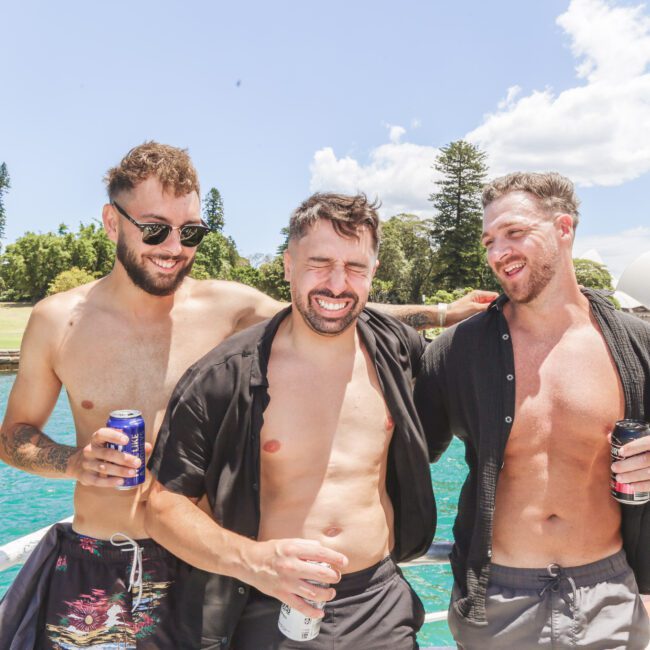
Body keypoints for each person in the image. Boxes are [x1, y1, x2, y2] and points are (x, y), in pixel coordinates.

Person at [0, 142, 494, 649]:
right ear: (112, 221)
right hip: (103, 555)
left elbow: (326, 302)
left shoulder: (227, 308)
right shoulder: (58, 320)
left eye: (189, 232)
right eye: (154, 229)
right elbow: (14, 436)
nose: (174, 246)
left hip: (211, 571)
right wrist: (74, 462)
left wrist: (438, 314)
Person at [145, 192, 438, 649]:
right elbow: (161, 505)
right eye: (319, 263)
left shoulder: (400, 352)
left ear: (373, 272)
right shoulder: (223, 377)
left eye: (355, 268)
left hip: (378, 602)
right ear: (287, 265)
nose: (338, 284)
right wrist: (255, 562)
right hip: (268, 603)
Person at [414, 171, 650, 649]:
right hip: (496, 601)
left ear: (564, 229)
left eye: (515, 233)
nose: (498, 252)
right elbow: (402, 456)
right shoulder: (458, 351)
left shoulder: (636, 344)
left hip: (609, 596)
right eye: (489, 240)